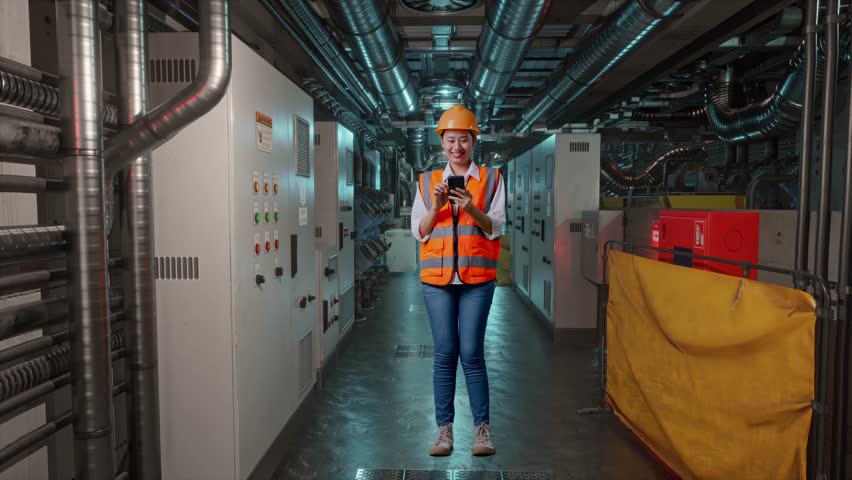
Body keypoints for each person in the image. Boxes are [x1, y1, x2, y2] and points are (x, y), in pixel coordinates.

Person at [409, 105, 506, 457]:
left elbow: (496, 227)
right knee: (445, 353)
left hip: (477, 280)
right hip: (437, 280)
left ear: (473, 140)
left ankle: (482, 431)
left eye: (463, 140)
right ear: (442, 142)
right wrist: (436, 206)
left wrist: (470, 207)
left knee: (472, 353)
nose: (457, 147)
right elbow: (419, 232)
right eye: (451, 140)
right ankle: (444, 432)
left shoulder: (492, 179)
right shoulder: (425, 182)